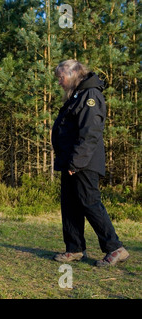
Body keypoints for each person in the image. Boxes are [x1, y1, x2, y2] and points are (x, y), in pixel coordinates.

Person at [51, 60, 129, 267]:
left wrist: (76, 162)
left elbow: (90, 133)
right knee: (70, 205)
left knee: (89, 203)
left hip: (83, 162)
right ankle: (74, 248)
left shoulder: (90, 95)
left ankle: (115, 248)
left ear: (75, 73)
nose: (59, 82)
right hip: (72, 161)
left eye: (61, 77)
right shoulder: (77, 95)